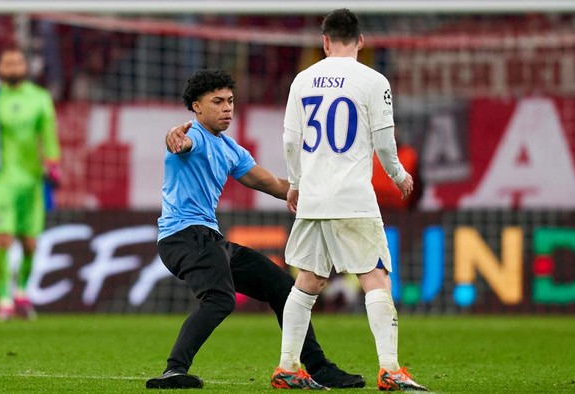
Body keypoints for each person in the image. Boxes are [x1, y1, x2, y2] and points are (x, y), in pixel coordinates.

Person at [146, 68, 364, 390]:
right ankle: (174, 370)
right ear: (196, 106)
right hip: (183, 237)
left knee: (284, 289)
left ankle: (318, 367)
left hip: (210, 239)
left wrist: (317, 191)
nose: (227, 108)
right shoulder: (191, 136)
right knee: (220, 300)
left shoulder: (231, 149)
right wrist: (174, 136)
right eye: (217, 101)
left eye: (230, 101)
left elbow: (275, 185)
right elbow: (179, 142)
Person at [271, 9, 428, 391]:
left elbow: (291, 140)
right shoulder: (373, 80)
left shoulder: (302, 80)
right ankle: (389, 368)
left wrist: (295, 184)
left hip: (313, 197)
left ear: (324, 42)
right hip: (352, 197)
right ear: (360, 41)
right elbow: (384, 140)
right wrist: (399, 175)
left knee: (307, 282)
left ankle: (288, 366)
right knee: (375, 278)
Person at [0, 47, 61, 321]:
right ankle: (3, 299)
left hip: (31, 181)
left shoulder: (40, 98)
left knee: (30, 243)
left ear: (25, 67)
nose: (12, 67)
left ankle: (21, 292)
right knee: (2, 238)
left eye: (16, 62)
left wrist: (53, 164)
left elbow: (48, 135)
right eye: (6, 62)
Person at [371, 128, 422, 210]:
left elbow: (417, 187)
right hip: (373, 208)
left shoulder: (409, 155)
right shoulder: (370, 153)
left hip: (399, 210)